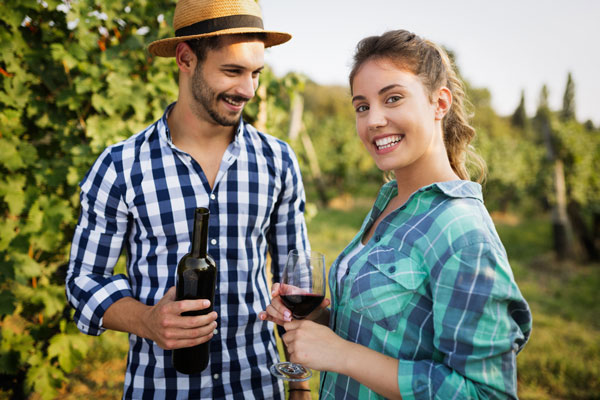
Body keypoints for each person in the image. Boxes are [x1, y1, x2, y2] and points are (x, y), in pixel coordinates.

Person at [260, 30, 532, 399]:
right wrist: (313, 320)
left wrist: (342, 355)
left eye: (393, 98)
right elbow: (375, 333)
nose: (374, 120)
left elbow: (488, 393)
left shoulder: (462, 231)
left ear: (440, 103)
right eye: (362, 106)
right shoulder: (391, 202)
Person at [66, 0, 313, 398]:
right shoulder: (121, 165)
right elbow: (82, 281)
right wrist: (146, 320)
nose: (247, 90)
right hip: (161, 389)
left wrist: (298, 383)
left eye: (255, 74)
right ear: (185, 59)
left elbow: (294, 287)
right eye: (232, 71)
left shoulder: (278, 160)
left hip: (258, 386)